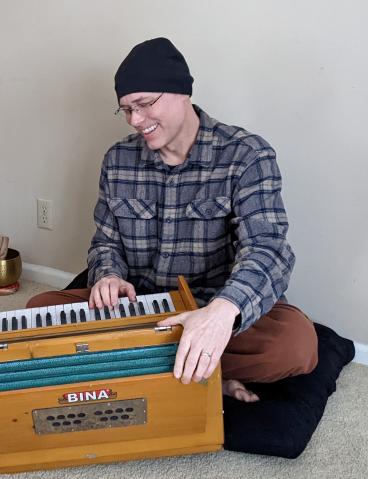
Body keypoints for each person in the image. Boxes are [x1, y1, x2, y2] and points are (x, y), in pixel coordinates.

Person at [28, 37, 318, 402]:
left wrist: (221, 313)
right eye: (126, 109)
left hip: (211, 307)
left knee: (295, 345)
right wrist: (109, 275)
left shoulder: (247, 155)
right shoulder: (118, 160)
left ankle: (145, 363)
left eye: (144, 104)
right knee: (37, 313)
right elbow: (106, 242)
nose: (136, 120)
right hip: (138, 310)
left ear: (182, 92)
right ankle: (201, 372)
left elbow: (268, 250)